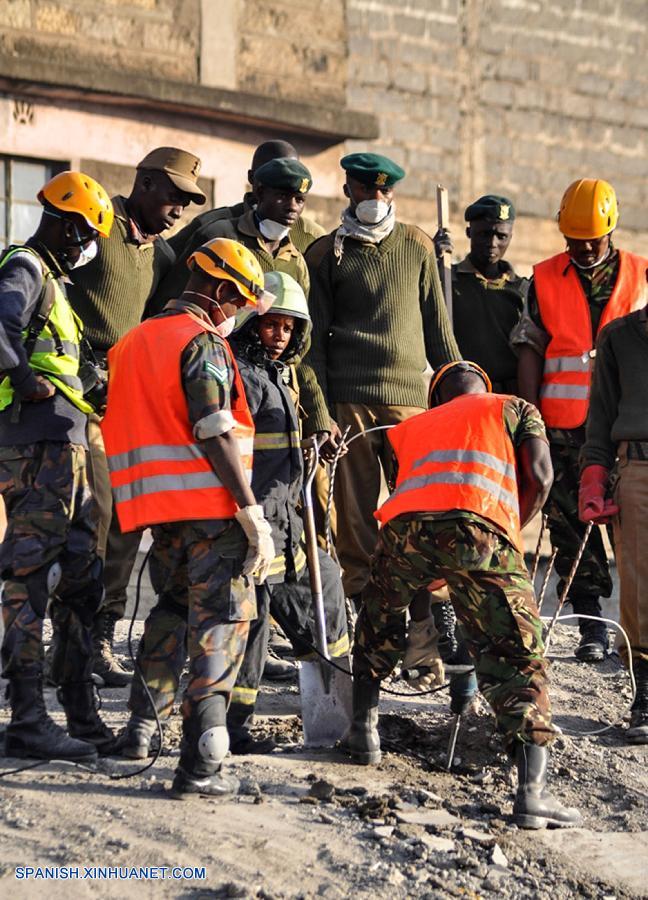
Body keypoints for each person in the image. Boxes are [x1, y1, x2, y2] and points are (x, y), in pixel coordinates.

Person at [343, 360, 581, 830]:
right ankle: (532, 796)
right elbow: (543, 474)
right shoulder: (514, 407)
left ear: (437, 398)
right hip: (482, 529)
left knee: (378, 618)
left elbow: (412, 495)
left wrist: (431, 569)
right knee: (517, 651)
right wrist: (509, 532)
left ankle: (361, 734)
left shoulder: (410, 427)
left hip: (405, 532)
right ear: (483, 388)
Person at [101, 237, 276, 799]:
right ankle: (201, 763)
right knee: (221, 623)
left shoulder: (131, 342)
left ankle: (140, 730)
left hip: (158, 511)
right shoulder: (199, 342)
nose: (239, 316)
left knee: (170, 612)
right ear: (221, 291)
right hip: (211, 509)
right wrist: (250, 508)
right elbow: (212, 424)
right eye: (241, 304)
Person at [66, 146, 206, 687]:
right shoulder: (96, 230)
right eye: (173, 196)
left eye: (188, 203)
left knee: (125, 520)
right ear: (143, 183)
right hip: (74, 398)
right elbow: (48, 293)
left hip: (125, 403)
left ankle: (98, 634)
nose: (178, 210)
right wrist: (82, 370)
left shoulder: (163, 258)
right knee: (89, 522)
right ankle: (67, 643)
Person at [298, 152, 460, 603]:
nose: (376, 197)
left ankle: (427, 616)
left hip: (411, 404)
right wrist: (321, 413)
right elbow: (313, 346)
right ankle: (367, 613)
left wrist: (458, 396)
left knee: (419, 512)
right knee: (356, 520)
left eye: (385, 190)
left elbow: (439, 331)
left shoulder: (417, 246)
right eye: (367, 188)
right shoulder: (326, 253)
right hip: (351, 404)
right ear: (348, 188)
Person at [0, 171, 116, 761]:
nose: (88, 247)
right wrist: (24, 379)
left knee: (81, 579)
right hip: (36, 448)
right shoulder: (24, 267)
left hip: (67, 447)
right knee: (28, 581)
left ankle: (81, 715)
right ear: (68, 226)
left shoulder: (55, 284)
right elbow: (2, 330)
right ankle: (25, 719)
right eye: (87, 234)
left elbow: (64, 363)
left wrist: (94, 385)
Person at [513, 178, 648, 662]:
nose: (584, 248)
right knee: (571, 527)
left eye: (592, 239)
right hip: (565, 427)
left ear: (611, 230)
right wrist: (532, 422)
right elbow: (529, 347)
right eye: (574, 240)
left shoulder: (642, 274)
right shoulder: (544, 278)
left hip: (627, 428)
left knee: (634, 535)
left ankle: (635, 633)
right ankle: (591, 623)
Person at [226, 272, 349, 752]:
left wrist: (315, 444)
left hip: (288, 520)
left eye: (289, 328)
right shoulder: (242, 378)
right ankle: (234, 726)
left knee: (328, 587)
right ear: (248, 325)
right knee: (252, 622)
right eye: (270, 325)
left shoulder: (280, 376)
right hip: (255, 522)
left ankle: (337, 693)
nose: (280, 337)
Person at [579, 304, 648, 743]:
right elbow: (600, 414)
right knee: (639, 583)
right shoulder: (619, 336)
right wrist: (594, 473)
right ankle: (646, 692)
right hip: (637, 469)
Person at [149, 154, 315, 314]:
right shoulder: (219, 236)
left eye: (299, 200)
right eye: (283, 196)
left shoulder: (296, 261)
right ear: (260, 192)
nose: (292, 207)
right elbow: (171, 301)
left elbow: (301, 327)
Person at [447, 194, 527, 394]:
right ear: (469, 232)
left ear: (511, 237)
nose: (492, 243)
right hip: (463, 395)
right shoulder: (448, 281)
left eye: (501, 236)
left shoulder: (523, 290)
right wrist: (432, 262)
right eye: (484, 234)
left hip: (509, 399)